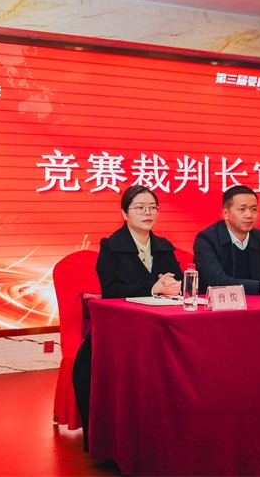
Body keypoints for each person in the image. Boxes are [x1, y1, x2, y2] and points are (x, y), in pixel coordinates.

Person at [73, 185, 183, 451]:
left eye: (152, 207)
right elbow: (111, 291)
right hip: (122, 330)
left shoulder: (164, 247)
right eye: (140, 207)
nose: (148, 213)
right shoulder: (111, 246)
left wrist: (174, 286)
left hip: (161, 326)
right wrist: (152, 288)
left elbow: (178, 281)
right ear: (124, 213)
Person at [193, 185, 260, 296]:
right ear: (226, 214)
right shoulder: (206, 239)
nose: (249, 215)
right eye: (242, 209)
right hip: (215, 304)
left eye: (254, 209)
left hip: (256, 303)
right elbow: (218, 281)